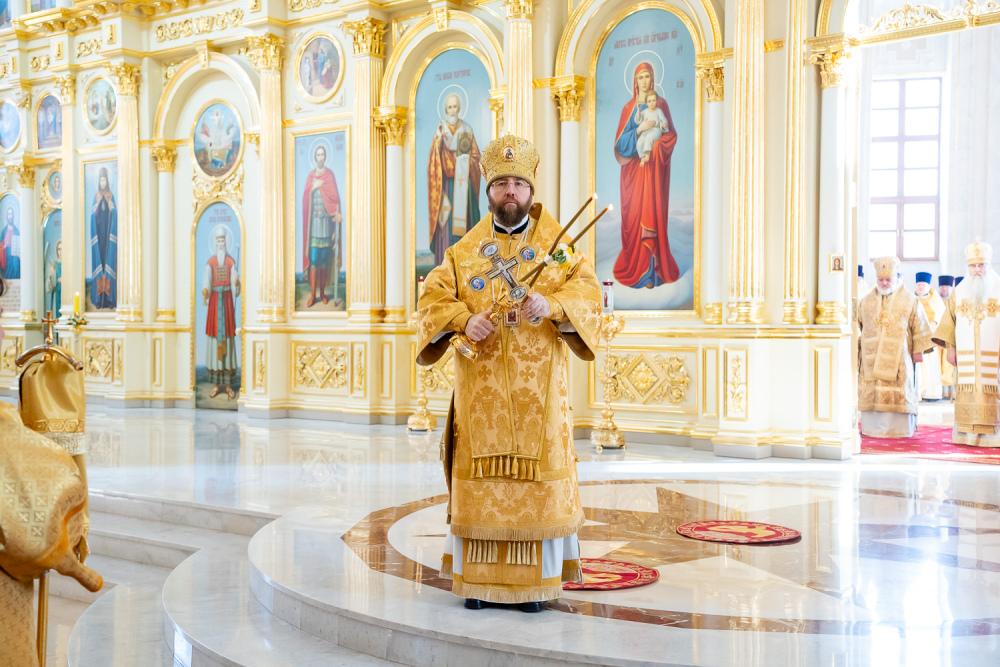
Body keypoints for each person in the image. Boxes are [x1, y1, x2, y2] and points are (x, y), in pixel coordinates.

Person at [417, 135, 601, 612]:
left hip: (540, 397)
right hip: (481, 396)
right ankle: (477, 583)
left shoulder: (558, 248)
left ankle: (534, 586)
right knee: (481, 484)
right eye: (502, 184)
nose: (511, 191)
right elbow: (432, 298)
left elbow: (588, 294)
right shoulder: (464, 252)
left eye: (519, 183)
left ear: (531, 190)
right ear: (490, 191)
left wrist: (552, 305)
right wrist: (463, 320)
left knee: (537, 485)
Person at [613, 62, 679, 288]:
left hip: (653, 173)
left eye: (647, 76)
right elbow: (620, 145)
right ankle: (637, 270)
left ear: (653, 79)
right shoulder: (628, 109)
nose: (644, 81)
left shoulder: (661, 105)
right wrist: (639, 130)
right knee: (633, 219)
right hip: (633, 174)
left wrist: (657, 146)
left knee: (652, 217)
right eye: (640, 77)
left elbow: (670, 135)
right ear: (635, 81)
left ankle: (653, 273)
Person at [856, 256, 933, 437]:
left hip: (900, 357)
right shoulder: (866, 301)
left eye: (888, 279)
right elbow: (859, 325)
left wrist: (918, 350)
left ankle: (900, 428)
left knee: (901, 387)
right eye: (880, 279)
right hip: (872, 356)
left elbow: (919, 325)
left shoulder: (909, 299)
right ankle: (873, 428)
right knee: (873, 390)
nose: (884, 283)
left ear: (896, 277)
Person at [933, 241, 1000, 446]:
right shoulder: (959, 291)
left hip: (993, 358)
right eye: (973, 265)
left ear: (989, 264)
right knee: (966, 390)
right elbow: (949, 322)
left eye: (981, 265)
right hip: (966, 358)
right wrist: (950, 349)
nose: (977, 270)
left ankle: (993, 436)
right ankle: (966, 434)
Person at [427, 92, 483, 265]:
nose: (452, 110)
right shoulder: (440, 130)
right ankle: (445, 266)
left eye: (455, 107)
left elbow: (476, 157)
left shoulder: (467, 130)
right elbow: (433, 160)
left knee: (464, 227)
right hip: (446, 187)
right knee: (446, 224)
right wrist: (438, 142)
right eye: (450, 107)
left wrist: (466, 161)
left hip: (463, 188)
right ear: (446, 109)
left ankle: (465, 264)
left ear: (459, 108)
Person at [301, 143, 343, 308]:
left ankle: (323, 293)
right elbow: (305, 199)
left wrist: (337, 214)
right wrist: (313, 188)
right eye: (318, 155)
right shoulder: (311, 177)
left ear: (325, 157)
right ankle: (313, 295)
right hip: (313, 228)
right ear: (315, 157)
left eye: (322, 155)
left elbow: (335, 199)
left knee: (324, 261)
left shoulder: (329, 176)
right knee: (314, 261)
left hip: (326, 225)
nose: (320, 157)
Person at [202, 225, 240, 399]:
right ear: (215, 242)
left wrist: (236, 283)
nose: (220, 243)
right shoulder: (210, 263)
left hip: (226, 303)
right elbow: (206, 281)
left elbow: (234, 283)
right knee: (214, 340)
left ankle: (228, 385)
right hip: (215, 305)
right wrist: (205, 291)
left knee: (228, 341)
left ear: (226, 241)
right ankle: (217, 385)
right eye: (218, 240)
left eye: (222, 240)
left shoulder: (231, 262)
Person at [914, 271, 944, 400]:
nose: (921, 287)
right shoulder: (912, 299)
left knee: (931, 365)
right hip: (916, 338)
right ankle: (917, 393)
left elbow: (940, 315)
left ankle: (932, 393)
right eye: (919, 284)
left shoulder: (935, 300)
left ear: (928, 286)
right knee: (918, 367)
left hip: (931, 337)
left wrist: (933, 325)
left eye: (923, 285)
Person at [636, 91, 671, 166]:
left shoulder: (658, 111)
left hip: (656, 130)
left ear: (656, 101)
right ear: (646, 103)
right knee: (639, 142)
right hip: (646, 131)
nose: (651, 103)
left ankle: (647, 155)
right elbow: (638, 120)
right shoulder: (645, 112)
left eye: (653, 100)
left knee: (649, 137)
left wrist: (664, 124)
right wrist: (638, 110)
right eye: (649, 101)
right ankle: (642, 157)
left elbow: (664, 120)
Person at [0, 205, 19, 280]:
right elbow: (0, 247)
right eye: (9, 214)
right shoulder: (3, 232)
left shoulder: (17, 231)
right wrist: (4, 246)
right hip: (6, 260)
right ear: (7, 216)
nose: (10, 216)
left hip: (15, 262)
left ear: (13, 216)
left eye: (11, 214)